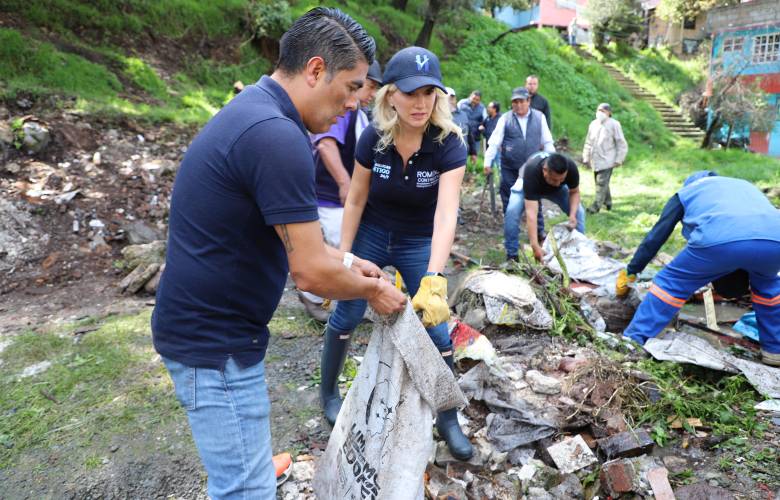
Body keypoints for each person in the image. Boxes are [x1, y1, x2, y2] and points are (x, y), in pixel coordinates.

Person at [151, 9, 406, 499]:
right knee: (245, 490)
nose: (354, 105)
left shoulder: (258, 109)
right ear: (315, 70)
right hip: (214, 344)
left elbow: (302, 241)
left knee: (242, 467)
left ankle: (248, 465)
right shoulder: (277, 136)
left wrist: (350, 263)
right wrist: (374, 291)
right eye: (352, 87)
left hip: (214, 333)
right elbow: (309, 271)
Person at [319, 46, 474, 460]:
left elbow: (446, 214)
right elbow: (354, 200)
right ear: (390, 96)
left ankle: (447, 417)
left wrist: (435, 278)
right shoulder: (374, 139)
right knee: (347, 311)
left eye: (429, 92)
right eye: (409, 93)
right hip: (372, 230)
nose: (420, 103)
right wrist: (343, 260)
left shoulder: (449, 144)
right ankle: (329, 393)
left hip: (418, 237)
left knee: (436, 325)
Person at [617, 171, 780, 367]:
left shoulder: (687, 192)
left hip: (719, 237)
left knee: (671, 284)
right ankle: (774, 351)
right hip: (775, 240)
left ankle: (633, 341)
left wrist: (632, 270)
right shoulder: (743, 184)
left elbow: (656, 237)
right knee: (768, 291)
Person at [298, 60, 383, 321]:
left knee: (343, 248)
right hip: (328, 193)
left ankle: (338, 299)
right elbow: (326, 145)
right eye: (368, 87)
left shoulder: (360, 115)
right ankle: (315, 299)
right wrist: (345, 183)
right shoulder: (343, 111)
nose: (370, 95)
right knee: (333, 245)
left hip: (342, 195)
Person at [484, 86, 554, 215]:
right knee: (508, 196)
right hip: (509, 167)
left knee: (534, 196)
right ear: (512, 103)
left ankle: (539, 229)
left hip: (532, 167)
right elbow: (494, 142)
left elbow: (548, 142)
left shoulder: (540, 117)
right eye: (515, 102)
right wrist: (487, 163)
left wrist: (551, 163)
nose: (519, 105)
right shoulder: (505, 118)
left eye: (522, 101)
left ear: (528, 101)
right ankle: (510, 226)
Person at [504, 152, 586, 261]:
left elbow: (574, 192)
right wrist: (534, 246)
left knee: (579, 212)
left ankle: (578, 252)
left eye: (562, 180)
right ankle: (512, 256)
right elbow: (531, 214)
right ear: (545, 170)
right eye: (554, 179)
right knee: (512, 212)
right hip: (527, 182)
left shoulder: (570, 167)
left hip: (556, 191)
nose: (558, 183)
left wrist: (572, 215)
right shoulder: (532, 170)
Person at [582, 103, 628, 214]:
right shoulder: (593, 124)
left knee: (601, 183)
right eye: (598, 110)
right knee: (601, 182)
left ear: (609, 113)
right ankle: (608, 202)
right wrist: (586, 157)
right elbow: (588, 142)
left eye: (603, 111)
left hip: (608, 160)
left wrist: (619, 159)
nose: (600, 113)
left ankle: (596, 206)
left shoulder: (614, 125)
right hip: (596, 160)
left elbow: (621, 143)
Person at [457, 90, 487, 167]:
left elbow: (485, 120)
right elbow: (455, 114)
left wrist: (483, 127)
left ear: (480, 100)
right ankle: (462, 170)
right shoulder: (462, 103)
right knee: (461, 155)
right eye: (473, 98)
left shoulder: (482, 108)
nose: (475, 101)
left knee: (474, 156)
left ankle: (472, 172)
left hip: (475, 136)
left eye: (477, 100)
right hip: (463, 135)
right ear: (470, 96)